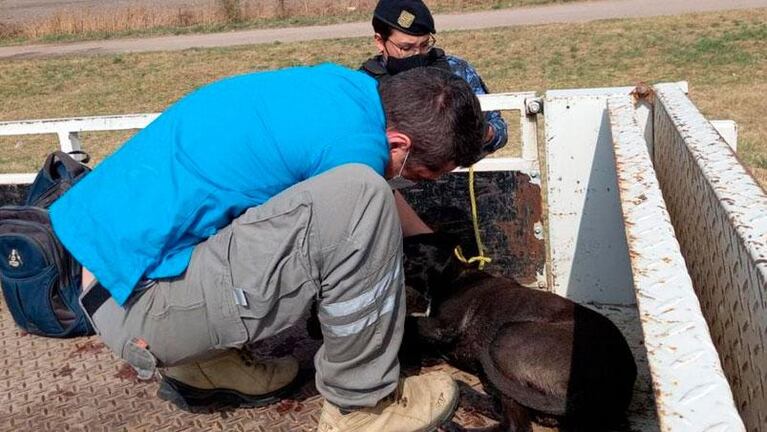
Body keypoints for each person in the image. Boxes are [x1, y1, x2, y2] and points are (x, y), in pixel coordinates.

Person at [49, 64, 486, 431]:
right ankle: (361, 407)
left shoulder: (347, 93)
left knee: (353, 194)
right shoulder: (355, 152)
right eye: (423, 176)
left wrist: (430, 242)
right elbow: (360, 203)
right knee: (363, 196)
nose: (411, 183)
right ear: (399, 144)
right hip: (143, 313)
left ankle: (203, 364)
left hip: (108, 280)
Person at [361, 0, 508, 238]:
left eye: (424, 45)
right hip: (397, 198)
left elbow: (500, 129)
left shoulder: (457, 71)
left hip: (461, 190)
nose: (416, 54)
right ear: (380, 41)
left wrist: (481, 133)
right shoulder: (365, 85)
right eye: (406, 47)